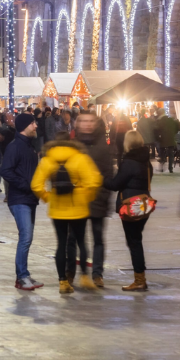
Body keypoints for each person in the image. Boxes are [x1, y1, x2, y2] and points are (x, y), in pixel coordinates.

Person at [32, 130, 102, 293]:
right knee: (81, 242)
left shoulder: (47, 159)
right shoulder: (80, 158)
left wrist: (48, 197)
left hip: (57, 209)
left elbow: (35, 185)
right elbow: (94, 181)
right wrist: (86, 196)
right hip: (78, 208)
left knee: (61, 244)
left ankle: (63, 281)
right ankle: (84, 277)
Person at [104, 130, 154, 291]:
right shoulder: (146, 162)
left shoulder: (129, 162)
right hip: (144, 204)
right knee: (135, 240)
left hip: (130, 206)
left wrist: (101, 179)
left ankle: (140, 279)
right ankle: (141, 277)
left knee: (134, 242)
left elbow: (115, 184)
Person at [0, 113, 44, 290]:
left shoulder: (29, 147)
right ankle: (22, 276)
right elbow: (6, 171)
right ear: (25, 126)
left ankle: (24, 274)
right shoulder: (15, 146)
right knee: (26, 237)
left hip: (29, 198)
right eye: (33, 123)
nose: (35, 126)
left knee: (27, 237)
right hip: (19, 198)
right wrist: (26, 185)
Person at [68, 114, 112, 288]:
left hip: (97, 199)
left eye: (90, 121)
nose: (87, 124)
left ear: (96, 123)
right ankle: (70, 271)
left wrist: (102, 195)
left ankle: (97, 273)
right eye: (83, 121)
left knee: (98, 238)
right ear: (77, 124)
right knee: (73, 239)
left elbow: (108, 174)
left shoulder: (103, 146)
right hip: (76, 200)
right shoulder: (73, 146)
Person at [154, 108, 180, 173]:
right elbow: (177, 126)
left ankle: (162, 168)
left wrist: (157, 138)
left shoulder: (159, 121)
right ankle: (170, 168)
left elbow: (156, 130)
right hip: (171, 139)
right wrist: (173, 133)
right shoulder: (171, 120)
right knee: (171, 154)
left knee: (162, 154)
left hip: (162, 139)